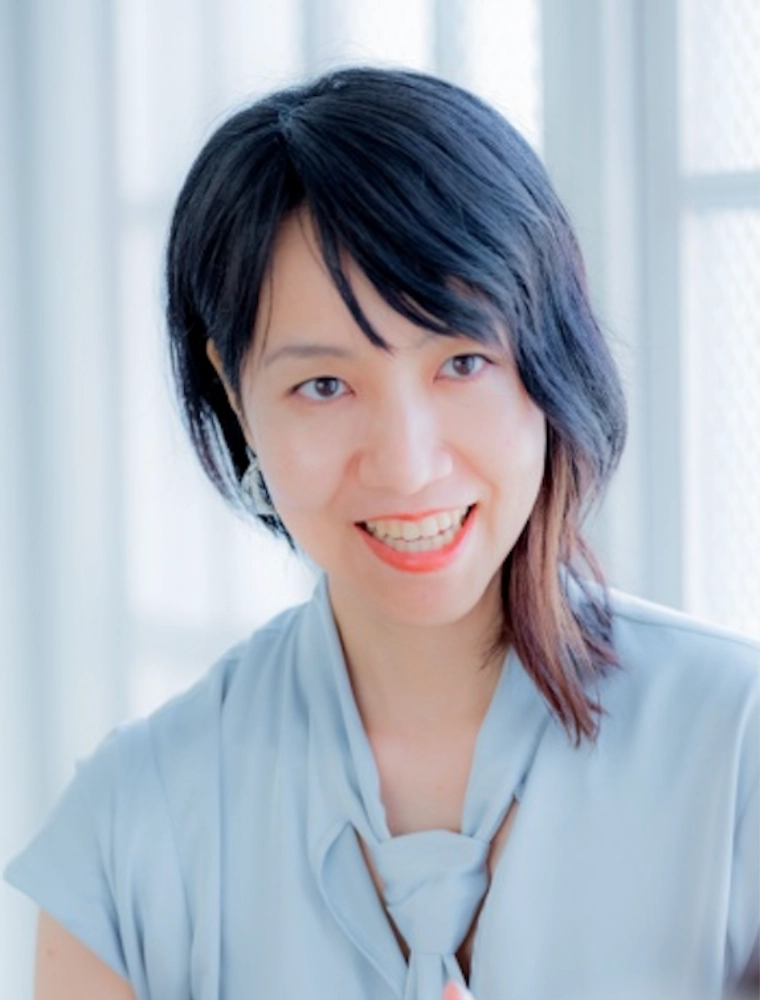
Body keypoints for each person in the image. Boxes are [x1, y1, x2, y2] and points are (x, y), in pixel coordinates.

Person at [5, 66, 758, 1000]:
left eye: (463, 362)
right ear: (235, 394)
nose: (405, 464)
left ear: (549, 350)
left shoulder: (739, 748)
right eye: (324, 385)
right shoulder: (125, 839)